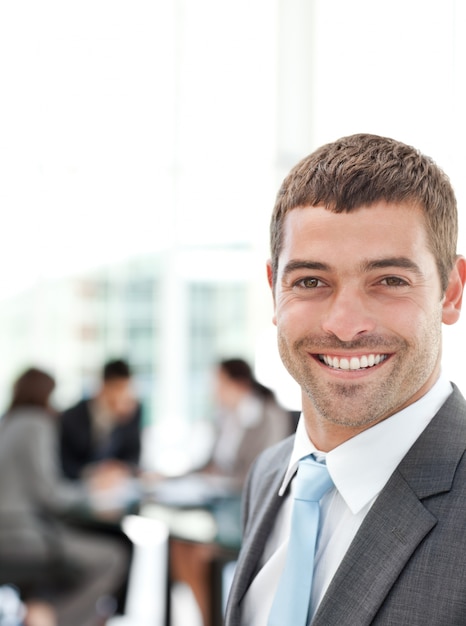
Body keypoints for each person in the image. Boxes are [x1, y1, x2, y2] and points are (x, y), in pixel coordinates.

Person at [224, 133, 466, 626]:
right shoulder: (271, 475)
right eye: (311, 281)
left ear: (451, 292)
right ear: (274, 291)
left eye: (389, 281)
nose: (344, 323)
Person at [0, 367, 129, 626]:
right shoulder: (36, 423)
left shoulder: (7, 422)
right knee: (113, 557)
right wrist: (92, 492)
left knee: (72, 549)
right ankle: (53, 618)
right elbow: (50, 495)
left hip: (14, 534)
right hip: (19, 537)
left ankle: (41, 607)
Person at [60, 359, 142, 482]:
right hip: (81, 487)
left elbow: (133, 456)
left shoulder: (132, 412)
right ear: (103, 385)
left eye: (126, 388)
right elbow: (65, 464)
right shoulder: (73, 416)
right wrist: (93, 473)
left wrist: (120, 469)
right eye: (118, 388)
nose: (123, 394)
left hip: (118, 485)